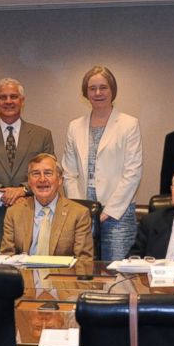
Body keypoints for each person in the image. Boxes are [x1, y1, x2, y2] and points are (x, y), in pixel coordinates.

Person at [62, 66, 143, 261]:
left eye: (103, 87)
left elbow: (132, 172)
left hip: (118, 214)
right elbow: (68, 172)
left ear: (112, 90)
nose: (98, 93)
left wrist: (108, 212)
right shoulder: (74, 126)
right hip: (83, 213)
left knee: (117, 273)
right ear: (85, 92)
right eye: (92, 88)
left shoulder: (129, 124)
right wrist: (80, 208)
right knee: (85, 270)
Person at [0, 77, 54, 250]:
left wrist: (22, 190)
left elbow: (50, 175)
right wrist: (3, 195)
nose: (8, 101)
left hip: (33, 217)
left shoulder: (42, 135)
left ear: (22, 101)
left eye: (13, 97)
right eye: (3, 97)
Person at [0, 153, 93, 270]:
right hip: (25, 282)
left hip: (62, 283)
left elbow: (83, 262)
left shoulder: (79, 213)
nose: (42, 179)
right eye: (36, 174)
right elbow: (7, 258)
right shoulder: (14, 213)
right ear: (28, 181)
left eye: (48, 173)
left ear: (60, 180)